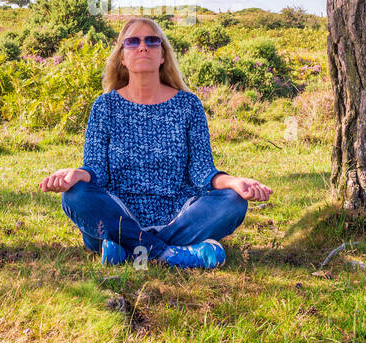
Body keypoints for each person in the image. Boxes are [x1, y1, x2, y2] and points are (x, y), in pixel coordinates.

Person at [38, 16, 273, 268]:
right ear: (122, 56)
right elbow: (96, 169)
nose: (143, 47)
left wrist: (235, 182)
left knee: (233, 201)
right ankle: (169, 254)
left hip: (178, 215)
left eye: (152, 41)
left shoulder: (188, 105)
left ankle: (128, 250)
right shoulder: (105, 106)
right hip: (119, 212)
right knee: (76, 196)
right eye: (132, 42)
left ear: (162, 55)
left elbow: (202, 171)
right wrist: (76, 175)